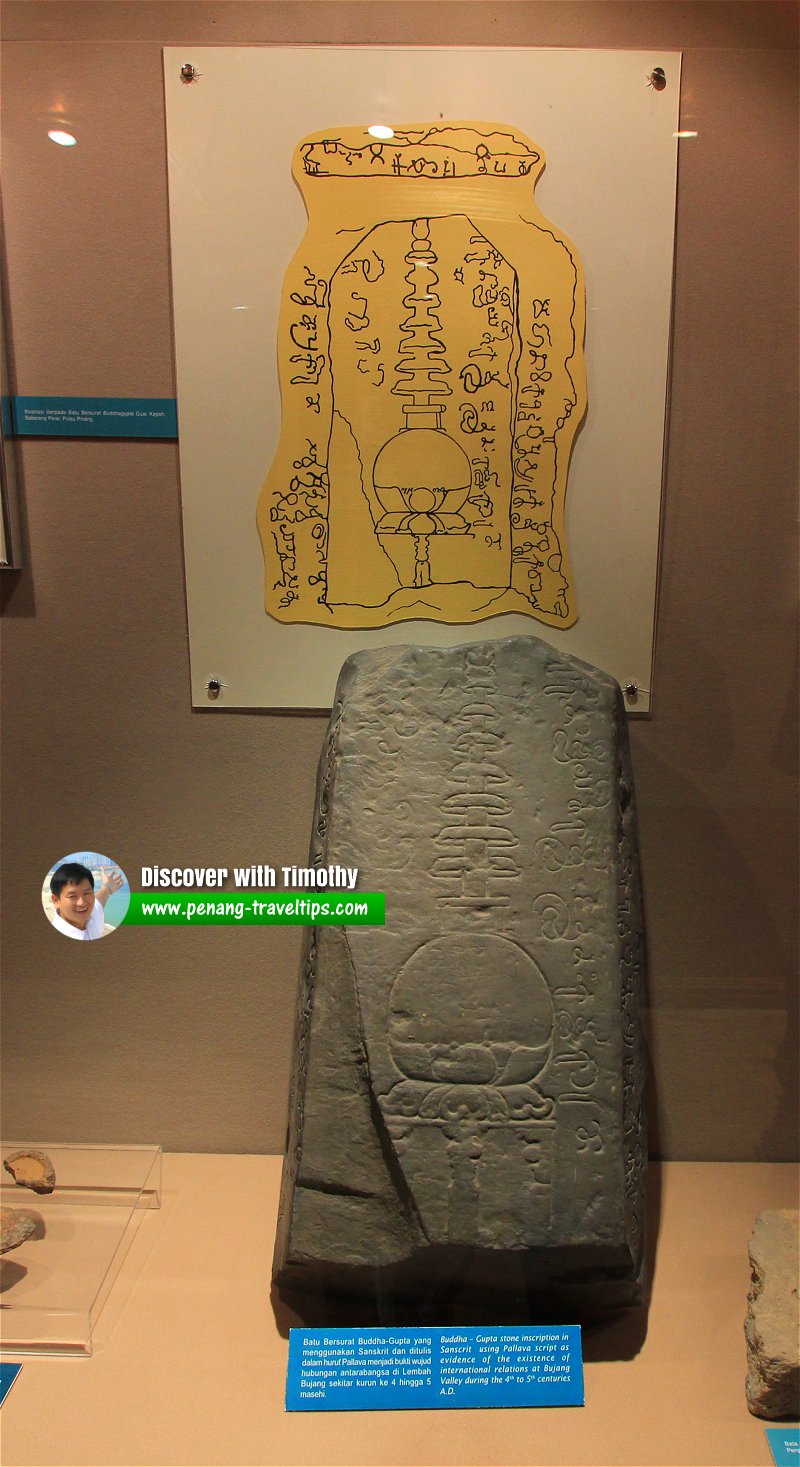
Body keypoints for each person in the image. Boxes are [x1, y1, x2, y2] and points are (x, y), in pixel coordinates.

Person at [49, 862, 123, 940]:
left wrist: (107, 886)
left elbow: (100, 899)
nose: (82, 903)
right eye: (72, 896)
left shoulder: (92, 915)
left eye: (86, 893)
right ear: (56, 901)